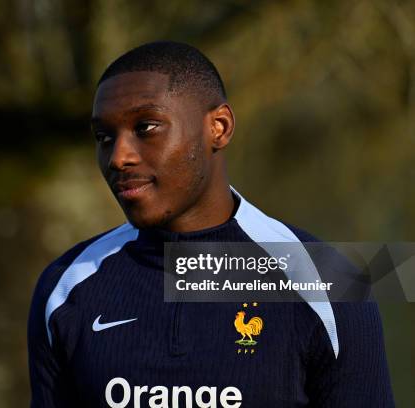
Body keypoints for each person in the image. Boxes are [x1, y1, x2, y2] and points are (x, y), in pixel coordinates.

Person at [27, 41, 394, 407]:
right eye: (104, 138)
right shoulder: (66, 287)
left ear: (219, 127)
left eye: (146, 127)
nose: (118, 157)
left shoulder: (329, 286)